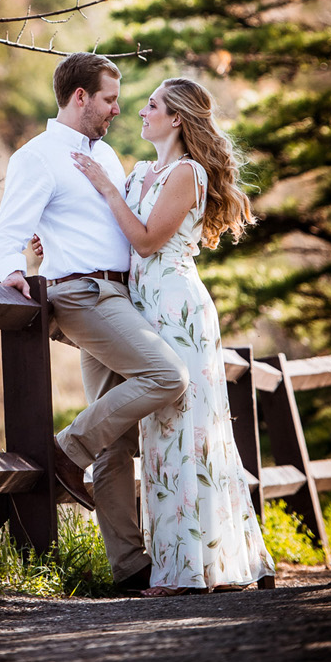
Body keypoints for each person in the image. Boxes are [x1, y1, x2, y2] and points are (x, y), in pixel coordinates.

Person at [0, 52, 187, 592]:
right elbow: (8, 229)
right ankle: (65, 452)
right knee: (168, 376)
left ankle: (129, 567)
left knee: (117, 440)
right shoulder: (39, 156)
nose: (117, 110)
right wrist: (11, 271)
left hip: (115, 296)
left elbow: (110, 227)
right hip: (84, 295)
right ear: (80, 98)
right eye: (108, 99)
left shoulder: (107, 159)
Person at [69, 76, 275, 594]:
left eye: (153, 105)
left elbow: (144, 242)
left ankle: (190, 569)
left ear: (177, 118)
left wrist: (106, 187)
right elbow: (112, 236)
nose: (141, 111)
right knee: (158, 439)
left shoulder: (187, 173)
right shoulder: (142, 172)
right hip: (141, 307)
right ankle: (183, 563)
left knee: (185, 436)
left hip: (177, 307)